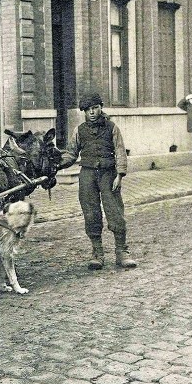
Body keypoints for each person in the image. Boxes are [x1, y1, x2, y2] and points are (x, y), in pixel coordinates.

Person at [59, 92, 136, 270]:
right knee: (91, 213)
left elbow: (120, 152)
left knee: (115, 211)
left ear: (101, 108)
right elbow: (71, 154)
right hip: (87, 175)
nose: (92, 112)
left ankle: (122, 252)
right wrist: (56, 165)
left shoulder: (112, 127)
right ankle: (97, 253)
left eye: (95, 108)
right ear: (84, 112)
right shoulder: (79, 130)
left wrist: (120, 175)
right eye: (88, 110)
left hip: (108, 175)